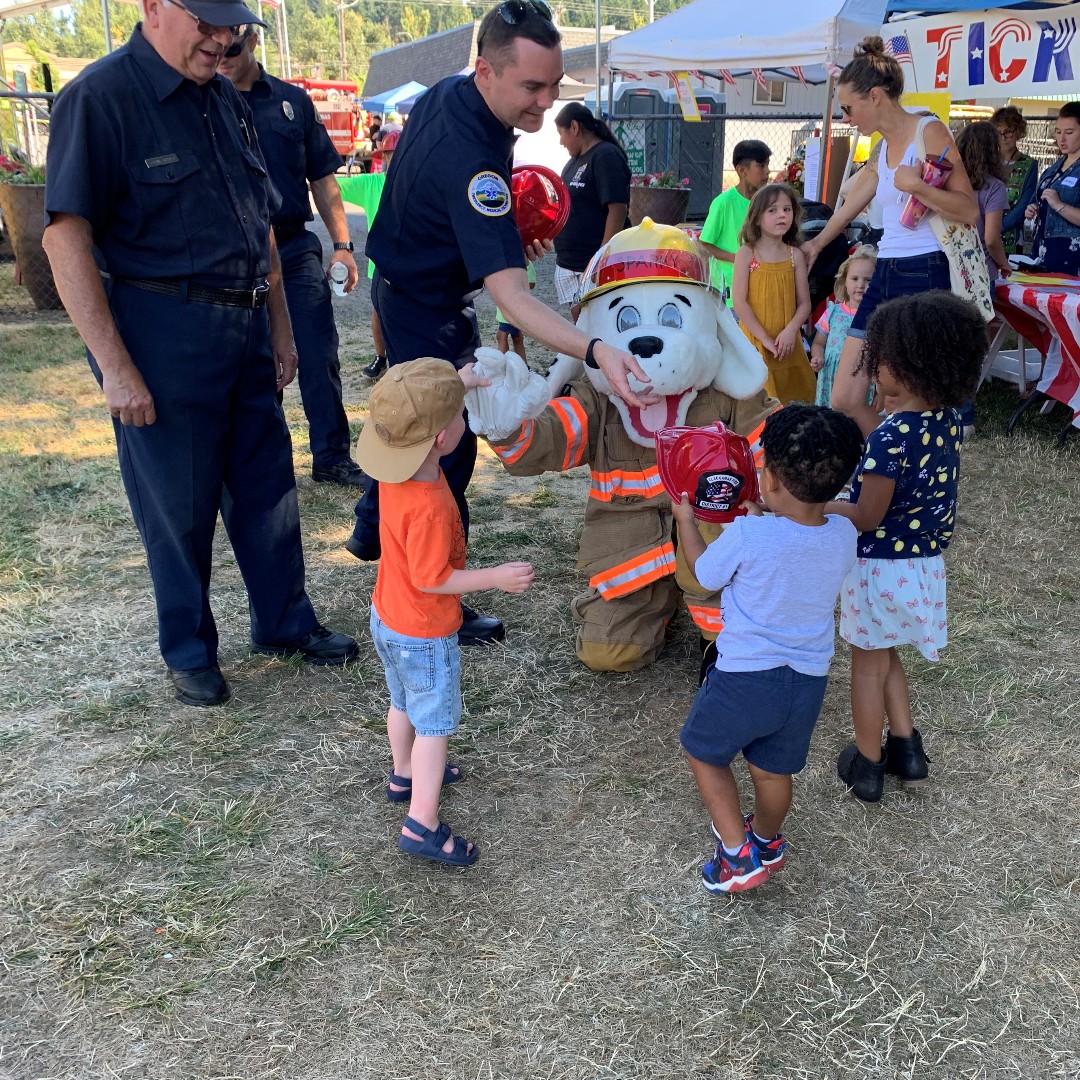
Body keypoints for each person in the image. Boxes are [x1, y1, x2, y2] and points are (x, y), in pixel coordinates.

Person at [41, 0, 358, 708]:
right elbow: (64, 240)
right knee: (178, 504)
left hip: (245, 324)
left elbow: (262, 223)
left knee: (268, 486)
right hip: (163, 328)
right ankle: (189, 649)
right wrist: (115, 368)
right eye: (207, 23)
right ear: (155, 7)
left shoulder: (225, 97)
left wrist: (280, 330)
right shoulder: (100, 98)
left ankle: (285, 623)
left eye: (233, 26)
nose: (224, 40)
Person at [346, 0, 654, 647]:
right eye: (532, 87)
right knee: (444, 453)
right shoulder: (475, 163)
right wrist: (595, 349)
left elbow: (444, 202)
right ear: (486, 70)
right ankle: (432, 597)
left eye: (553, 85)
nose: (547, 103)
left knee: (415, 436)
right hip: (425, 309)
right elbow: (512, 299)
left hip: (405, 289)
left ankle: (376, 525)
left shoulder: (449, 94)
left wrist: (500, 237)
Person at [672, 405, 865, 894]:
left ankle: (737, 855)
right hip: (806, 681)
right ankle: (766, 840)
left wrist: (685, 521)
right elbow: (796, 547)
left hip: (745, 677)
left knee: (703, 752)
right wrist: (766, 515)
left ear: (771, 478)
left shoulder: (748, 534)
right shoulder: (844, 534)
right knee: (772, 770)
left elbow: (705, 574)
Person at [355, 357, 535, 867]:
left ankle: (403, 774)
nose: (464, 419)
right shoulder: (430, 506)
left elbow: (421, 405)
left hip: (387, 617)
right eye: (460, 414)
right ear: (441, 438)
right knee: (434, 726)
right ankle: (422, 823)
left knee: (402, 702)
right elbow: (433, 579)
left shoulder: (394, 469)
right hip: (424, 632)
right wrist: (495, 577)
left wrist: (463, 380)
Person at [825, 292, 986, 804]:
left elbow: (867, 515)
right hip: (921, 566)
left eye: (880, 359)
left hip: (879, 568)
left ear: (909, 365)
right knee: (886, 651)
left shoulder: (888, 438)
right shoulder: (947, 422)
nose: (873, 369)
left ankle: (867, 764)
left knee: (867, 666)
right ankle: (907, 750)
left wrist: (818, 505)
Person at [801, 37, 978, 436]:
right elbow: (849, 205)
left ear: (875, 96)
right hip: (885, 270)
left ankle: (910, 460)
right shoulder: (881, 149)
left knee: (912, 396)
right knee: (846, 396)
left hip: (925, 270)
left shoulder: (928, 131)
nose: (846, 118)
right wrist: (816, 243)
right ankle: (888, 458)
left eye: (848, 108)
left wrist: (917, 186)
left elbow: (968, 210)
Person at [219, 27, 366, 488]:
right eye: (214, 48)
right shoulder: (203, 99)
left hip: (293, 245)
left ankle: (332, 457)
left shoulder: (291, 102)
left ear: (251, 41)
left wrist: (343, 246)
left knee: (318, 352)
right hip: (235, 253)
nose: (221, 56)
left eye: (232, 48)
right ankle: (270, 461)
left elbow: (323, 179)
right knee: (254, 360)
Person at [731, 182, 816, 405]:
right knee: (759, 405)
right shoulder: (746, 254)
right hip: (755, 342)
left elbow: (804, 304)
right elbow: (739, 302)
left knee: (794, 401)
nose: (782, 215)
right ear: (757, 218)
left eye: (787, 209)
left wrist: (790, 331)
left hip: (787, 345)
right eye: (772, 210)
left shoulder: (795, 256)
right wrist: (765, 339)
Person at [552, 101, 631, 320]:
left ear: (574, 127)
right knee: (582, 324)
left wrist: (602, 258)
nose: (560, 142)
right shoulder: (575, 161)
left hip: (592, 263)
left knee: (597, 323)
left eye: (561, 133)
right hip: (570, 262)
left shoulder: (605, 155)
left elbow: (617, 208)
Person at [698, 140, 772, 305]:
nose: (767, 171)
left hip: (762, 288)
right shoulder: (724, 203)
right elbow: (704, 245)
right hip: (730, 294)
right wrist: (736, 258)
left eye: (768, 164)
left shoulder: (768, 202)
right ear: (741, 171)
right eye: (761, 166)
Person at [810, 245, 876, 408]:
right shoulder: (833, 312)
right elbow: (818, 343)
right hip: (830, 379)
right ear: (845, 281)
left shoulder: (877, 316)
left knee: (855, 416)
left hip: (859, 380)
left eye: (868, 280)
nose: (861, 285)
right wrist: (818, 357)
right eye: (855, 278)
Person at [1027, 102, 1080, 277]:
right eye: (1058, 132)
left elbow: (1056, 203)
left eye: (1069, 132)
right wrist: (1034, 209)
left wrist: (1058, 205)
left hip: (1072, 258)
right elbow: (1042, 200)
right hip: (1043, 252)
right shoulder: (1053, 168)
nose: (1061, 139)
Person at [957, 120, 1012, 286]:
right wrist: (1003, 263)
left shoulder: (949, 182)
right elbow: (991, 238)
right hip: (982, 270)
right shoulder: (995, 187)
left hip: (952, 267)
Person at [991, 106, 1037, 256]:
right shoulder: (987, 161)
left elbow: (1025, 202)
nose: (1003, 137)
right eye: (998, 132)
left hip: (1013, 237)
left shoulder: (1029, 164)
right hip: (985, 234)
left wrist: (999, 227)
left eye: (1008, 132)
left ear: (1018, 132)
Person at [495, 262, 536, 359]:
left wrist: (512, 283)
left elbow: (531, 283)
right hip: (504, 307)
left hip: (514, 307)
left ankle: (504, 365)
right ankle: (522, 363)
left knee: (502, 336)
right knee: (516, 336)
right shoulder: (500, 261)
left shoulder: (524, 262)